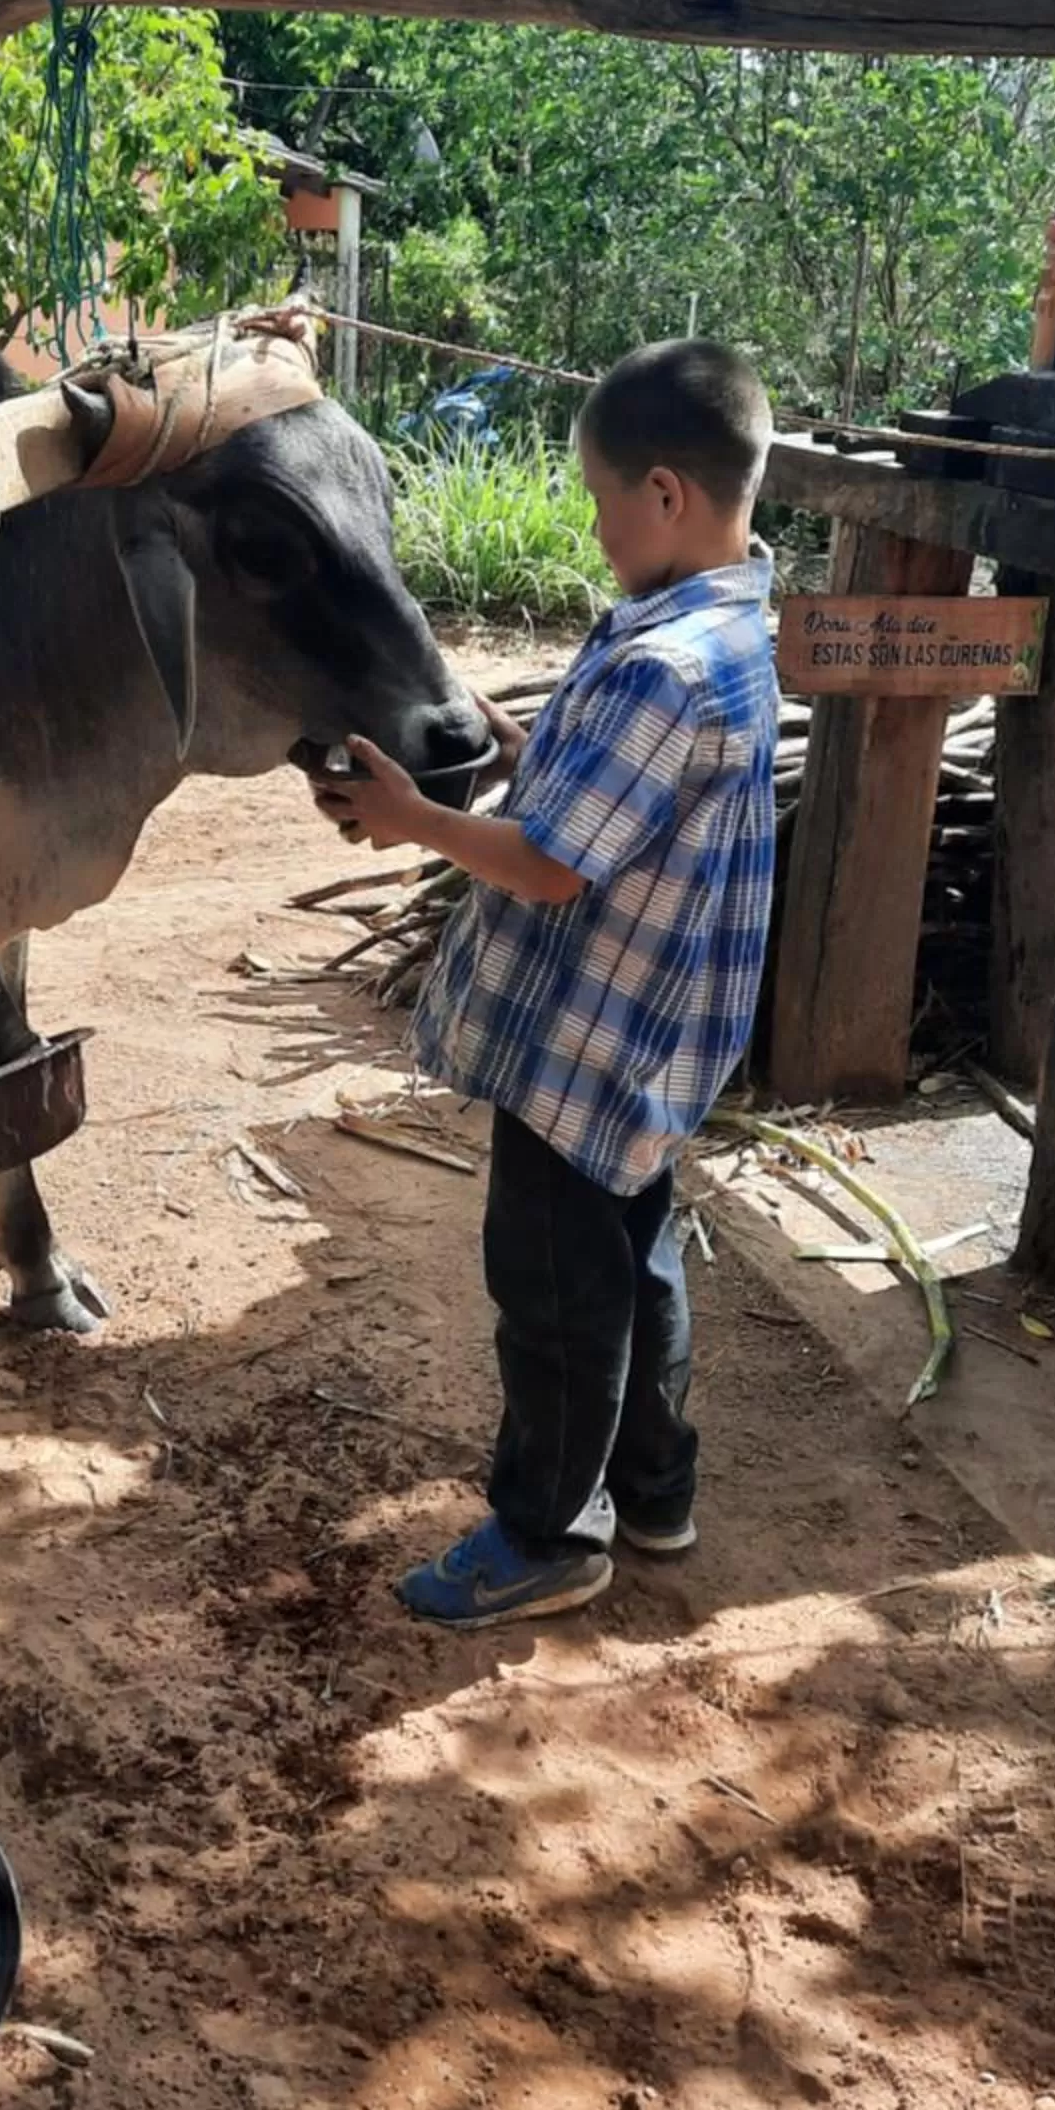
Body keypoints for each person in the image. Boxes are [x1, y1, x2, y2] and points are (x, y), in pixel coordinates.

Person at [314, 340, 779, 1624]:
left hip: (586, 1044)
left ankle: (546, 1532)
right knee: (637, 1260)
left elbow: (554, 866)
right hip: (657, 1039)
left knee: (555, 1292)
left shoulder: (657, 667)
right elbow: (617, 792)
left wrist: (412, 821)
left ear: (668, 495)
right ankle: (655, 1494)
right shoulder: (727, 626)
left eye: (598, 499)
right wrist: (523, 742)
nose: (591, 525)